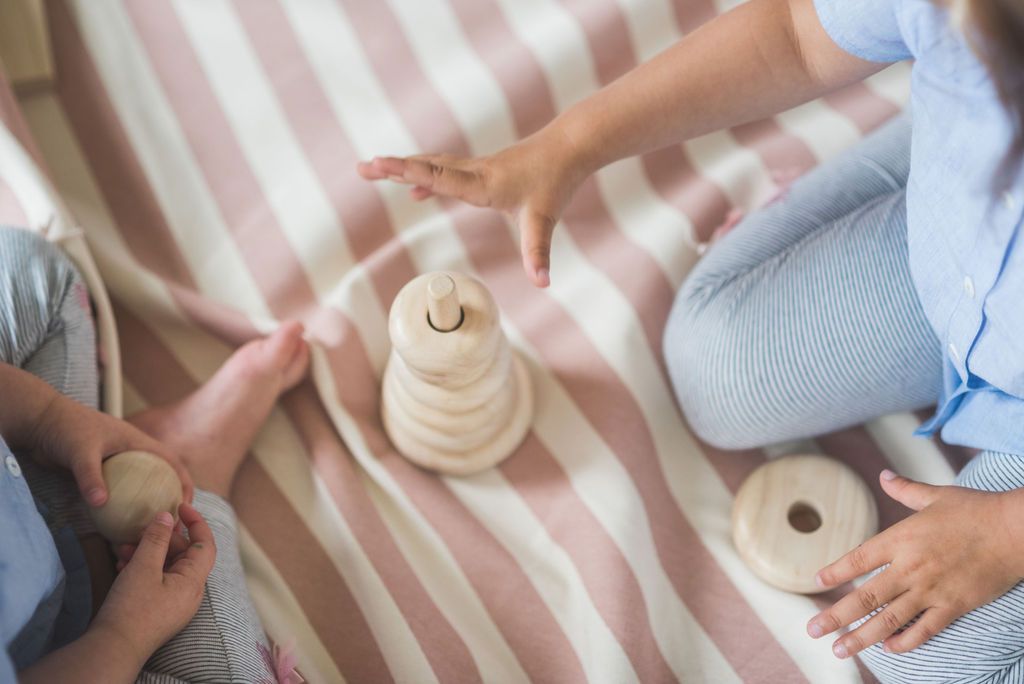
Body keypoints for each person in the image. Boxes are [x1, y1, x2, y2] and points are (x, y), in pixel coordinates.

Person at [357, 0, 1024, 679]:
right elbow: (795, 37)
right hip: (954, 256)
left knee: (916, 659)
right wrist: (568, 146)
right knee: (718, 373)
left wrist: (1007, 533)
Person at [1, 226, 309, 683]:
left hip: (23, 484)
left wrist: (47, 418)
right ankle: (191, 485)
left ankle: (125, 490)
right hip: (78, 659)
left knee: (31, 275)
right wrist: (124, 632)